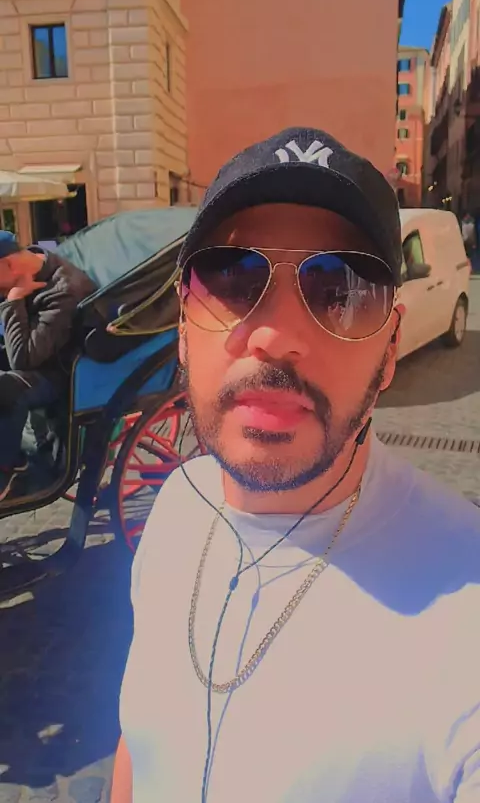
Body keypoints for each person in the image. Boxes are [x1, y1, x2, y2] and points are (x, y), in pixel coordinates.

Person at [113, 128, 480, 803]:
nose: (276, 336)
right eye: (232, 277)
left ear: (390, 349)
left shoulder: (464, 603)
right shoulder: (175, 507)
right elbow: (139, 742)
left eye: (340, 288)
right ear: (183, 331)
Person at [0, 231, 96, 499]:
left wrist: (14, 300)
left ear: (10, 264)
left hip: (56, 373)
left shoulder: (64, 290)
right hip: (26, 358)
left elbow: (24, 359)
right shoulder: (23, 268)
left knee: (5, 388)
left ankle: (10, 468)